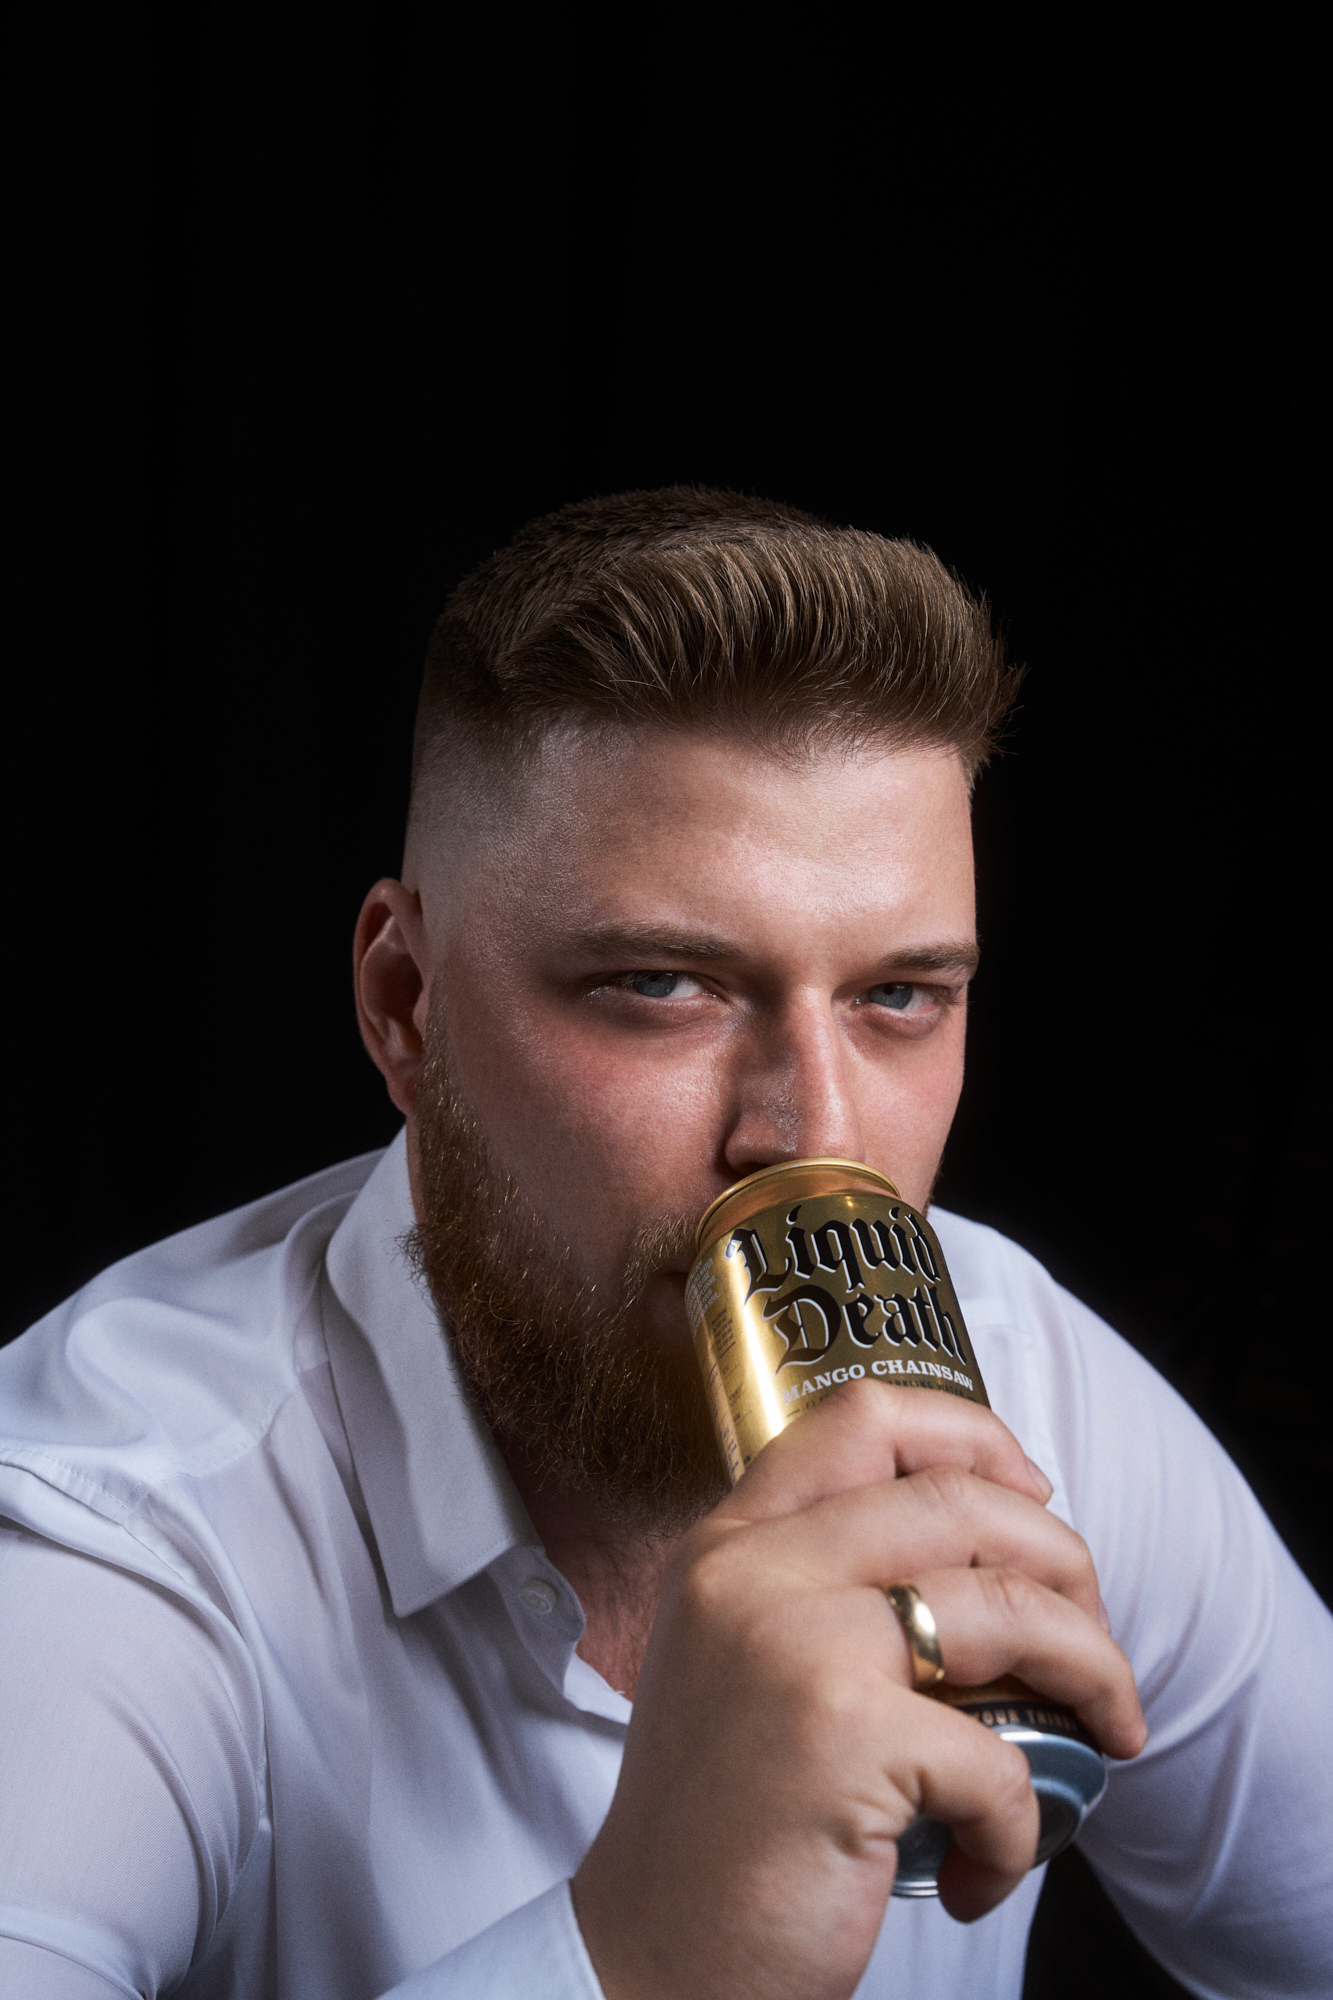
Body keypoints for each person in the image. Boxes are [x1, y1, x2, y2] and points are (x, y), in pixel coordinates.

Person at [0, 488, 1328, 2000]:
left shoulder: (1030, 1380)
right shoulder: (111, 1535)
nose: (811, 1137)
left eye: (899, 997)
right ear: (406, 1006)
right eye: (661, 985)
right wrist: (645, 1951)